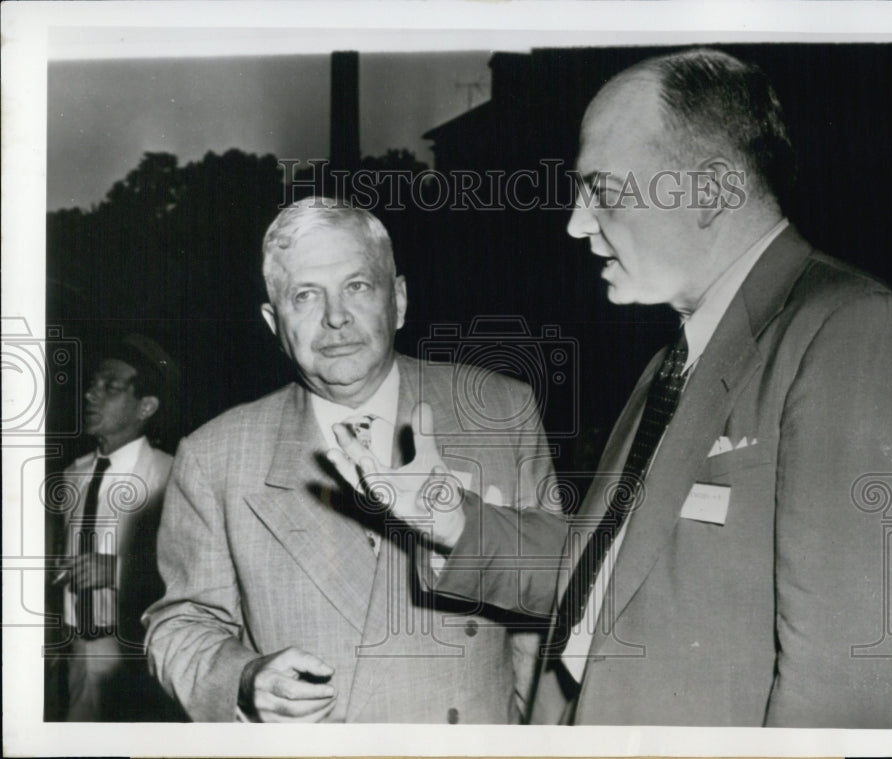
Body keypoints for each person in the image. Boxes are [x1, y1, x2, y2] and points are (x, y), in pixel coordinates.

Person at [329, 48, 892, 727]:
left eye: (602, 189)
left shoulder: (855, 335)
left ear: (711, 190)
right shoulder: (680, 354)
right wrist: (451, 518)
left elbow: (860, 698)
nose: (576, 222)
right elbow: (611, 571)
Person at [143, 199, 558, 723]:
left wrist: (519, 722)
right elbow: (180, 624)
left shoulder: (500, 410)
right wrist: (244, 679)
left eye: (357, 286)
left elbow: (565, 584)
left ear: (399, 301)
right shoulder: (215, 455)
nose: (336, 317)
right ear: (275, 322)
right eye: (305, 295)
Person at [49, 334, 181, 721]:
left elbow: (195, 574)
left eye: (109, 387)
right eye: (92, 384)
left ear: (146, 407)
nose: (90, 395)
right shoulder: (72, 476)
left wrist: (117, 570)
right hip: (75, 650)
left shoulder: (171, 475)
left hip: (136, 653)